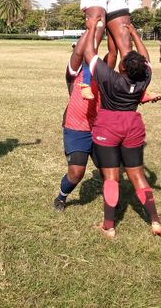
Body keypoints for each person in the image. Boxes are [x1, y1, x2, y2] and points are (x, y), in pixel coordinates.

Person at [83, 19, 161, 238]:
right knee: (137, 174)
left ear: (122, 67)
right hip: (132, 125)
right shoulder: (144, 78)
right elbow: (146, 59)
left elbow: (89, 53)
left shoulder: (109, 77)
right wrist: (133, 33)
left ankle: (109, 226)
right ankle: (156, 222)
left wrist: (92, 27)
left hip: (108, 125)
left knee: (111, 177)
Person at [54, 32, 99, 211]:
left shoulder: (101, 71)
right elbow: (78, 54)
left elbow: (113, 55)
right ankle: (61, 197)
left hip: (99, 128)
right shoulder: (73, 76)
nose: (80, 55)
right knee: (76, 173)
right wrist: (91, 29)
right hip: (76, 128)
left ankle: (112, 201)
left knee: (109, 170)